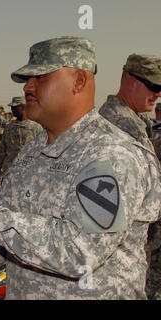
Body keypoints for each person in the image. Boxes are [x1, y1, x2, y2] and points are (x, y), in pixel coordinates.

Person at [0, 36, 161, 299]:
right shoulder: (31, 152)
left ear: (79, 81)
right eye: (27, 80)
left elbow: (80, 251)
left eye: (41, 77)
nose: (28, 87)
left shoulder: (112, 154)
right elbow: (6, 237)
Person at [98, 54, 161, 299]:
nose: (157, 94)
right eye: (153, 86)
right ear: (130, 81)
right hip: (117, 268)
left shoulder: (135, 124)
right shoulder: (117, 127)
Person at [0, 96, 43, 184]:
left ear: (23, 107)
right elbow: (2, 150)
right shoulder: (9, 127)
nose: (12, 109)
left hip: (29, 173)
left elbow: (43, 151)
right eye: (12, 107)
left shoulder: (36, 128)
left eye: (15, 107)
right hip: (9, 171)